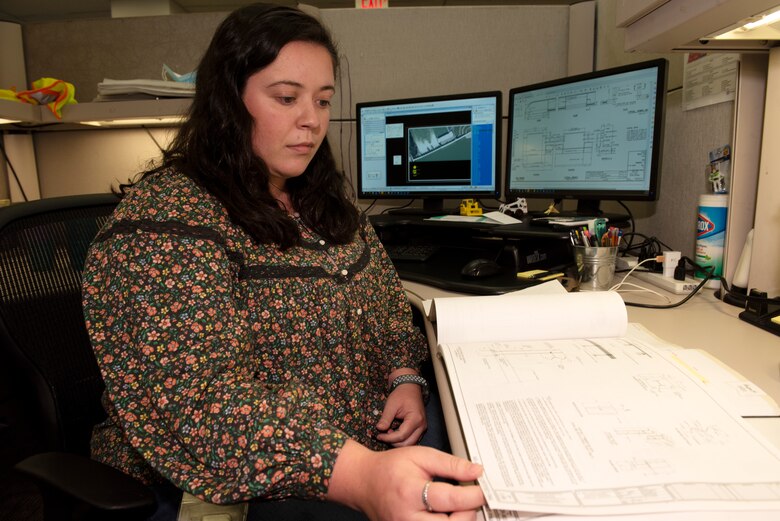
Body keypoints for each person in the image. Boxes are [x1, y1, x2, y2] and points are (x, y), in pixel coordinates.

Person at [81, 3, 485, 520]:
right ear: (229, 100)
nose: (312, 120)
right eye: (286, 98)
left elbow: (385, 302)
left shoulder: (321, 202)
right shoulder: (166, 220)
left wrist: (405, 374)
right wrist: (360, 474)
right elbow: (202, 403)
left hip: (361, 445)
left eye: (322, 100)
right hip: (231, 479)